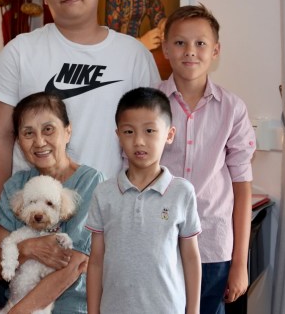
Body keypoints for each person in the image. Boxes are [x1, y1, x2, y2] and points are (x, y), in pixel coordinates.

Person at [0, 0, 160, 220]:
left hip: (111, 218)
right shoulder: (19, 52)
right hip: (33, 219)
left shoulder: (133, 55)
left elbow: (153, 141)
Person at [158, 4, 256, 313]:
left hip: (213, 247)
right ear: (165, 49)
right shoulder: (148, 104)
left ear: (215, 51)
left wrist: (239, 263)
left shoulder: (233, 109)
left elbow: (242, 188)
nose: (190, 51)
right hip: (158, 243)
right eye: (180, 42)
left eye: (200, 43)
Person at [0, 92, 105, 313]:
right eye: (28, 133)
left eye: (48, 129)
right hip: (16, 303)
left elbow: (75, 265)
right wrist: (28, 248)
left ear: (68, 131)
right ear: (18, 141)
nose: (39, 142)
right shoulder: (15, 186)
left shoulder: (91, 182)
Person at [86, 87, 201, 314]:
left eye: (149, 131)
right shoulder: (104, 193)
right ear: (118, 135)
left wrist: (194, 310)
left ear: (169, 134)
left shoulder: (182, 192)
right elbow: (96, 261)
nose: (139, 141)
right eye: (129, 132)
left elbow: (191, 258)